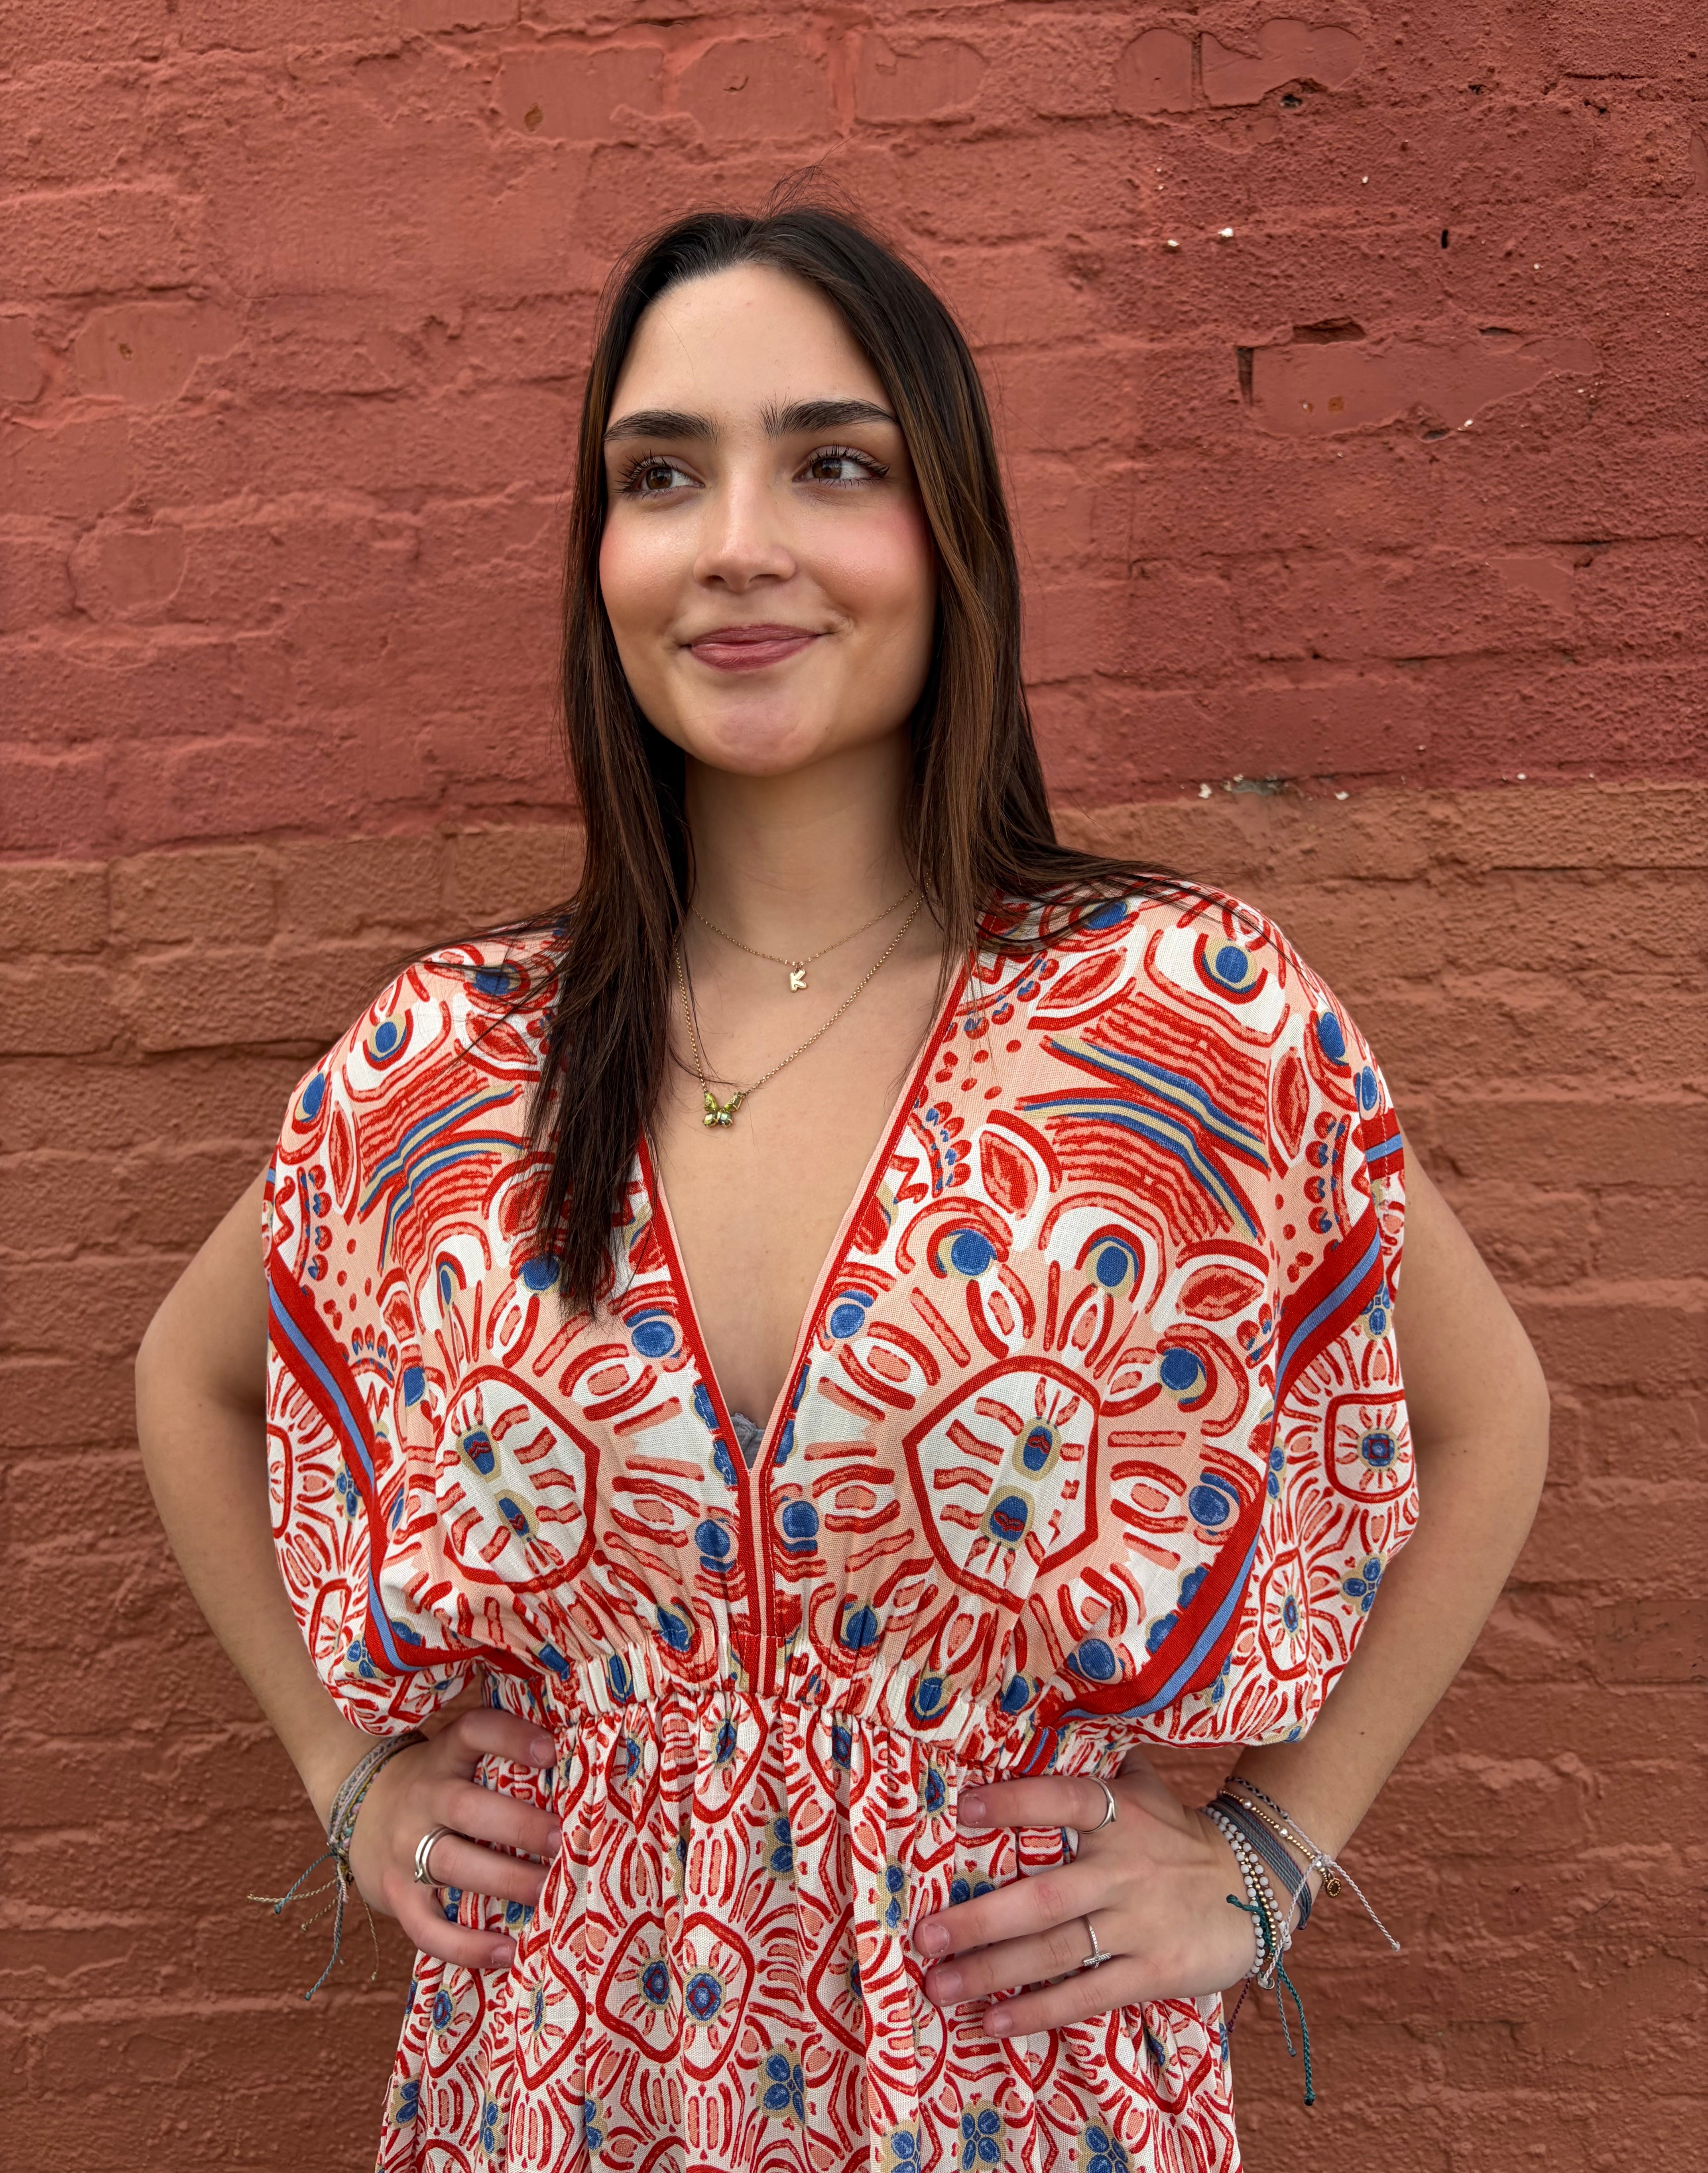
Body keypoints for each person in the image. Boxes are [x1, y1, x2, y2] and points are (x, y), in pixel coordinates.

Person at [136, 193, 1551, 2173]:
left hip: (1021, 2088)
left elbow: (1490, 1419)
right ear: (602, 555)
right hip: (558, 2082)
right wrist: (344, 1770)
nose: (736, 541)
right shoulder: (456, 1056)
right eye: (660, 475)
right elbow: (193, 1372)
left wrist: (1270, 1858)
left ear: (949, 528)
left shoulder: (1178, 1018)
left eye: (831, 463)